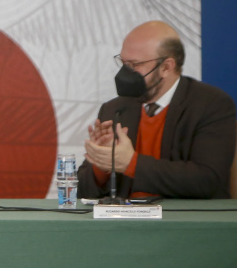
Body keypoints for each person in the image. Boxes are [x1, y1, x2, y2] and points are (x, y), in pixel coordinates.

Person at [78, 21, 236, 199]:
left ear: (166, 67)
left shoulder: (211, 104)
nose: (125, 73)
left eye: (134, 65)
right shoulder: (115, 109)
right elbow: (83, 192)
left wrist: (131, 163)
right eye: (123, 63)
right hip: (125, 216)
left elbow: (207, 180)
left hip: (182, 215)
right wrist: (102, 165)